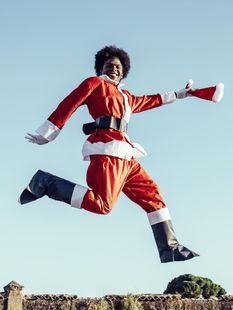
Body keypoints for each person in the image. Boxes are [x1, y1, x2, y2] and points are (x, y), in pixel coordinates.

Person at [19, 45, 199, 263]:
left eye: (117, 66)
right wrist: (47, 132)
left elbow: (151, 100)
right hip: (107, 152)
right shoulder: (95, 84)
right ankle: (46, 182)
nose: (113, 68)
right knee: (102, 205)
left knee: (154, 197)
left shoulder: (127, 97)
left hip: (127, 157)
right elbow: (69, 103)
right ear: (100, 69)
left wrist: (180, 94)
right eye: (108, 65)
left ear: (123, 72)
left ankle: (170, 247)